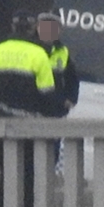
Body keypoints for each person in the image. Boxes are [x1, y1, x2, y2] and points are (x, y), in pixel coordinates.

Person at [0, 9, 65, 207]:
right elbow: (47, 94)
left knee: (7, 172)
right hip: (32, 128)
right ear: (34, 29)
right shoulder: (39, 55)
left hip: (4, 125)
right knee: (31, 174)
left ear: (13, 28)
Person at [36, 11, 79, 170]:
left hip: (56, 109)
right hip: (35, 109)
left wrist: (71, 99)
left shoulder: (63, 52)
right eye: (44, 26)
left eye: (52, 27)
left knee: (52, 150)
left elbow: (72, 78)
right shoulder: (32, 49)